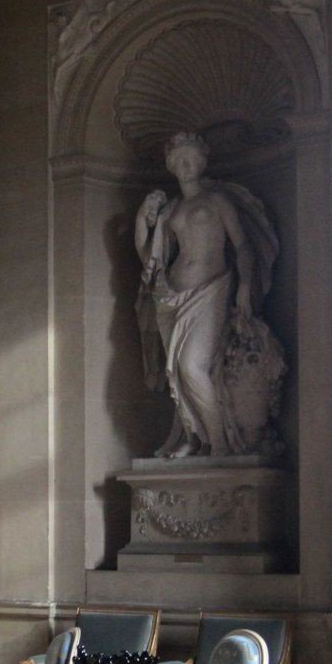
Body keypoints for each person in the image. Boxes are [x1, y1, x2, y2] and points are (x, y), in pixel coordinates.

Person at [135, 132, 279, 458]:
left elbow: (242, 246)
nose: (185, 165)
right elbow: (150, 256)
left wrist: (244, 285)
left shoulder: (216, 202)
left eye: (191, 159)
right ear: (171, 166)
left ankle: (221, 444)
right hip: (171, 296)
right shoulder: (171, 210)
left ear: (202, 162)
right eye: (179, 160)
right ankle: (192, 437)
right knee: (176, 373)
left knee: (190, 366)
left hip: (211, 289)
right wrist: (141, 219)